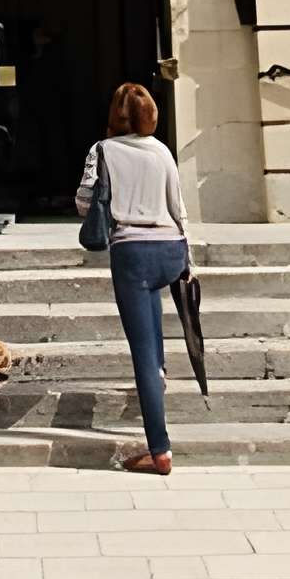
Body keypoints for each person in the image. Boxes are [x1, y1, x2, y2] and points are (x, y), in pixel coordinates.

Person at [73, 81, 189, 476]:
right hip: (172, 248)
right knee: (154, 341)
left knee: (143, 355)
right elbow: (179, 207)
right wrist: (188, 259)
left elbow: (84, 203)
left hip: (133, 252)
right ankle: (160, 381)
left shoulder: (102, 150)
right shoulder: (163, 151)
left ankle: (159, 450)